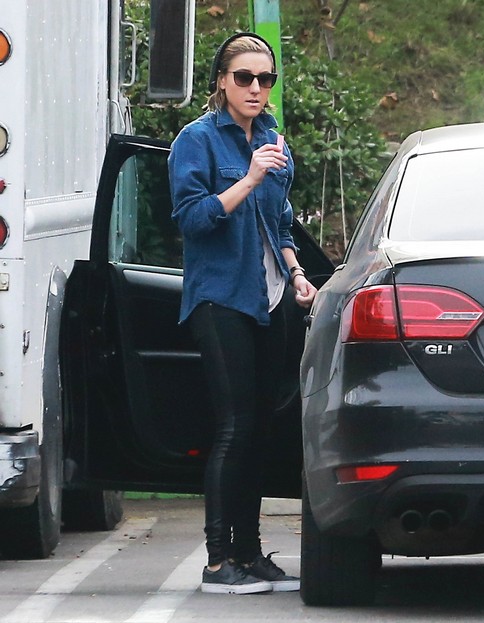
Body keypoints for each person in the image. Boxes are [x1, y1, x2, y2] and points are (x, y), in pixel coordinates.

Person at [168, 32, 317, 595]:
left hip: (271, 297)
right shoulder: (198, 140)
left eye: (265, 79)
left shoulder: (275, 140)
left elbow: (279, 221)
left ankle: (249, 553)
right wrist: (249, 178)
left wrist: (296, 272)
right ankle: (216, 561)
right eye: (244, 78)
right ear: (222, 82)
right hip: (220, 297)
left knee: (259, 428)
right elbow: (192, 219)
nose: (256, 88)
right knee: (233, 428)